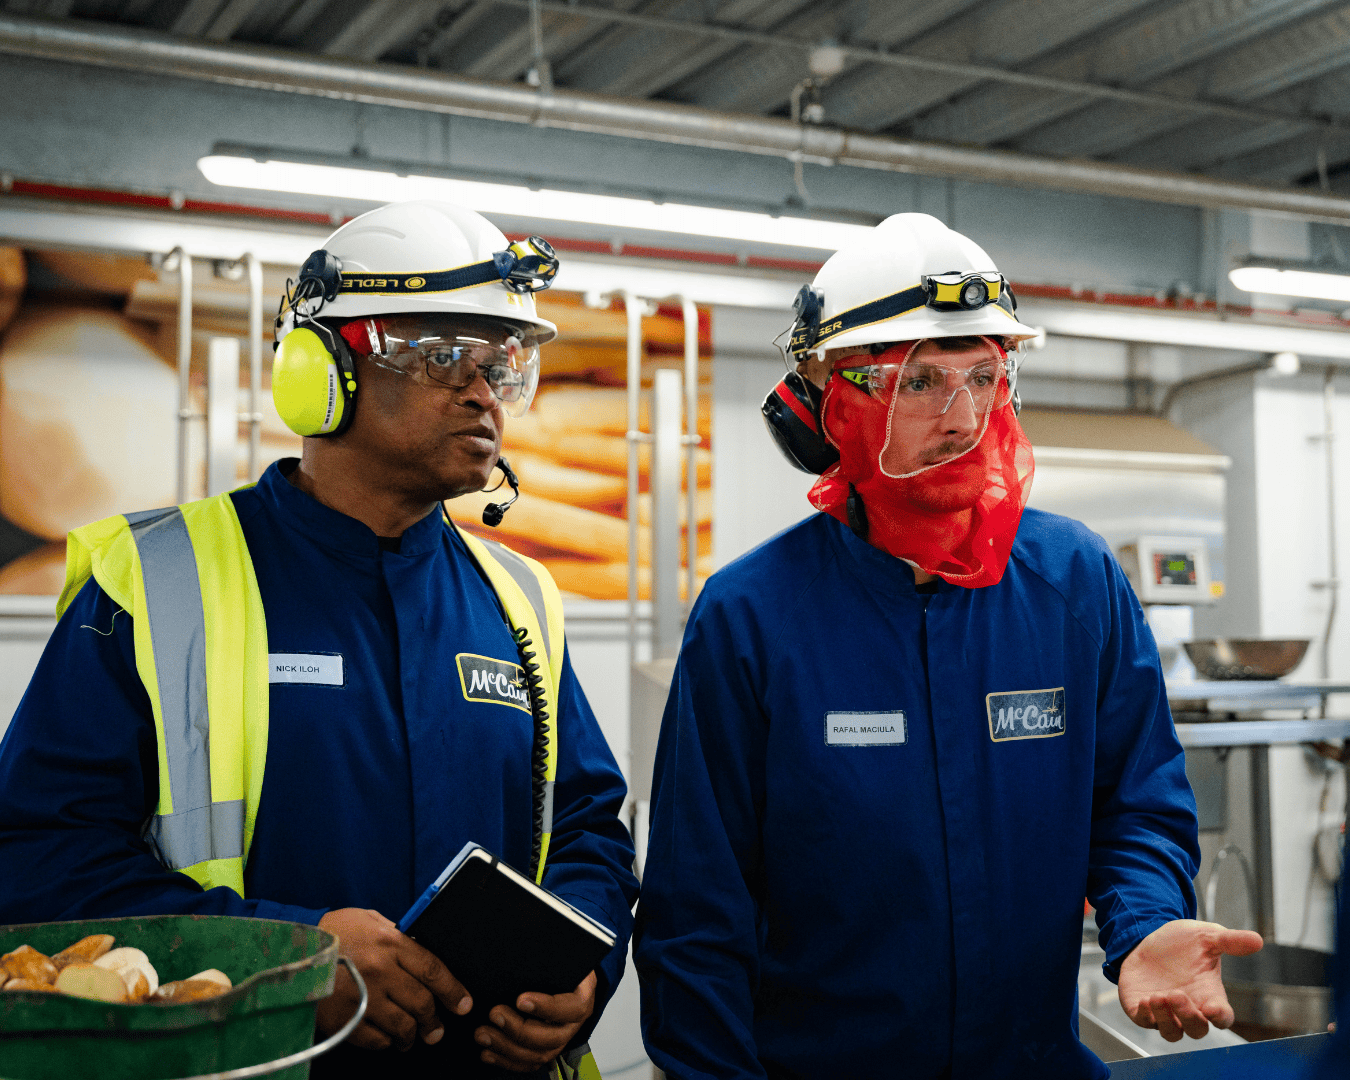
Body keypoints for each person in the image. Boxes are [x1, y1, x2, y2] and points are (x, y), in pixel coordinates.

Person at [0, 200, 638, 1079]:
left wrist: (587, 974)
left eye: (503, 362)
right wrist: (281, 957)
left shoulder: (520, 598)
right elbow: (38, 859)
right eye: (445, 354)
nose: (486, 391)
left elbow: (587, 829)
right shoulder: (149, 581)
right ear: (320, 370)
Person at [632, 212, 1261, 1079]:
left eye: (986, 376)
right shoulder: (750, 617)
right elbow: (695, 915)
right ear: (825, 400)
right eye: (920, 382)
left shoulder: (1074, 584)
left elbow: (1138, 804)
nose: (964, 418)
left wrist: (1145, 919)